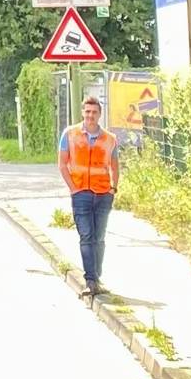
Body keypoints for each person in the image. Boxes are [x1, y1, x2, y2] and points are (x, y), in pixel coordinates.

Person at [57, 98, 118, 297]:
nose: (91, 116)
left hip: (103, 194)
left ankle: (96, 277)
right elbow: (62, 164)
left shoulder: (110, 138)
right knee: (87, 236)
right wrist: (73, 188)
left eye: (94, 112)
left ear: (100, 114)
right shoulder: (70, 134)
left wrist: (113, 188)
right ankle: (90, 280)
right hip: (81, 192)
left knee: (99, 238)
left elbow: (115, 165)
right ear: (83, 113)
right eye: (87, 112)